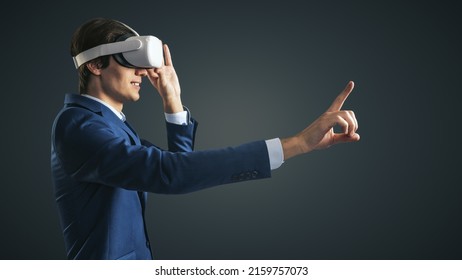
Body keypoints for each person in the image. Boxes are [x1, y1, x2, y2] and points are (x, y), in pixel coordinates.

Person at [50, 17, 360, 260]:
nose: (143, 72)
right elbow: (172, 174)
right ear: (94, 65)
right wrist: (298, 143)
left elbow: (177, 163)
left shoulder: (111, 125)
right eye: (129, 59)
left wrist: (172, 99)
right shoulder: (78, 125)